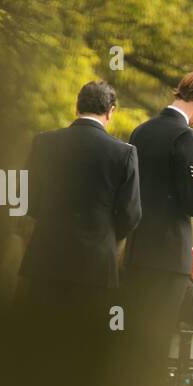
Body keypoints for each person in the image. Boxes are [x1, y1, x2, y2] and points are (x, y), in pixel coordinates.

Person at [122, 69, 193, 386]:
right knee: (157, 335)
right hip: (168, 256)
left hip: (137, 249)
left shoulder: (141, 131)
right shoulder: (186, 137)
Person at [17, 80, 141, 316]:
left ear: (77, 107)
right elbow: (131, 214)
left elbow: (26, 198)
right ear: (110, 111)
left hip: (46, 257)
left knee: (37, 336)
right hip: (95, 266)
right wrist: (106, 234)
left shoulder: (44, 142)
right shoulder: (124, 153)